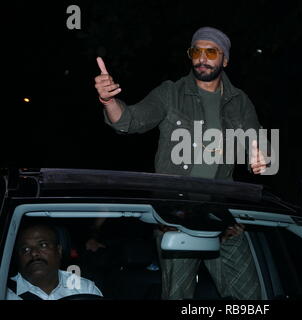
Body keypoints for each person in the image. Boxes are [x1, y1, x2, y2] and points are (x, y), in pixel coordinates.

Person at [94, 26, 265, 299]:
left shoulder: (239, 101)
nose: (202, 58)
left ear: (225, 60)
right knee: (177, 297)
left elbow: (258, 144)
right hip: (175, 219)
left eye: (211, 52)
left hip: (223, 219)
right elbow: (129, 121)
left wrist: (260, 156)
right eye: (196, 51)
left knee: (249, 299)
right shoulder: (170, 93)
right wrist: (108, 100)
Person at [7, 222, 103, 300]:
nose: (34, 253)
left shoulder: (85, 289)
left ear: (59, 251)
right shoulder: (5, 293)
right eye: (26, 249)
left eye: (43, 245)